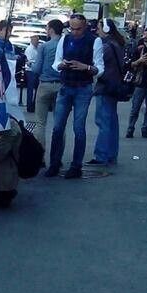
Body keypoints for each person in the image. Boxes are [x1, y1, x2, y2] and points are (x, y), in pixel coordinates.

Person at [45, 13, 104, 179]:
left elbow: (99, 68)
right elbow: (56, 62)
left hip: (83, 88)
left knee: (78, 128)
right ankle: (54, 163)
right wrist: (62, 65)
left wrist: (86, 67)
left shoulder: (94, 41)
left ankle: (76, 166)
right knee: (57, 127)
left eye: (78, 29)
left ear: (84, 27)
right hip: (66, 85)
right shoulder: (65, 39)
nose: (75, 32)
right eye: (72, 28)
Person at [90, 18, 126, 165]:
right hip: (114, 86)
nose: (97, 31)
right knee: (111, 122)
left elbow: (96, 64)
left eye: (99, 28)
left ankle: (101, 155)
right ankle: (111, 154)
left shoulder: (106, 46)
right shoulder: (117, 44)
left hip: (105, 87)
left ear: (105, 29)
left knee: (103, 122)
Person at [31, 19, 63, 155]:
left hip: (45, 84)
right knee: (59, 123)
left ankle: (40, 156)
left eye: (46, 28)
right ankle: (57, 157)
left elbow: (37, 68)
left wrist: (31, 65)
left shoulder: (44, 47)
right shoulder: (65, 45)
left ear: (51, 30)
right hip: (61, 85)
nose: (46, 30)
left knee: (40, 123)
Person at [24, 35, 40, 113]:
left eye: (38, 40)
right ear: (32, 41)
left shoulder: (38, 48)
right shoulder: (29, 49)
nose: (37, 42)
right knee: (30, 89)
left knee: (36, 89)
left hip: (36, 70)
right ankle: (29, 106)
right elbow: (29, 61)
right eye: (36, 40)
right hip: (30, 70)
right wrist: (36, 63)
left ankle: (34, 105)